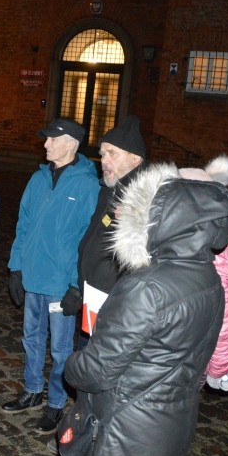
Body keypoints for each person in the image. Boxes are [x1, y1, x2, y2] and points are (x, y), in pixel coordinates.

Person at [62, 162, 228, 456]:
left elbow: (97, 370)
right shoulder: (210, 278)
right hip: (172, 426)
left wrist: (71, 365)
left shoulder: (146, 288)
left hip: (125, 430)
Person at [3, 118, 99, 433]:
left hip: (60, 284)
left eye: (51, 140)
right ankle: (31, 390)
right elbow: (23, 224)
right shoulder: (37, 179)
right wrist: (16, 266)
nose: (45, 145)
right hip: (33, 277)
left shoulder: (87, 184)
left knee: (60, 349)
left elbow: (88, 239)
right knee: (30, 338)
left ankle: (56, 404)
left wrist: (77, 285)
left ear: (70, 143)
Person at [76, 115, 146, 345]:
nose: (103, 159)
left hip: (115, 305)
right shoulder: (108, 189)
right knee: (86, 358)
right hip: (92, 295)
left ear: (135, 159)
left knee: (100, 364)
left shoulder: (142, 199)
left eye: (112, 153)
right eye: (103, 153)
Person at [178, 155, 228, 392]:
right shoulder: (169, 241)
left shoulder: (217, 265)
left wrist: (219, 369)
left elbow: (226, 324)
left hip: (189, 364)